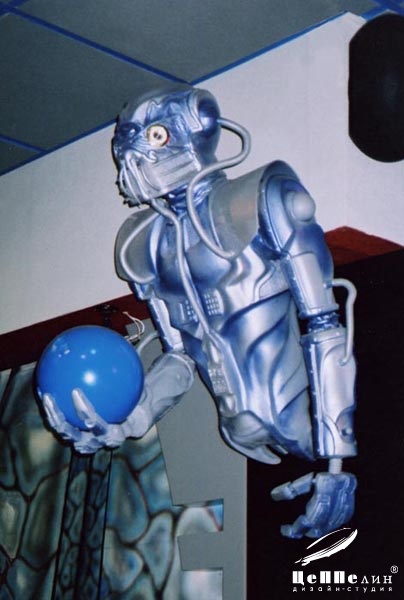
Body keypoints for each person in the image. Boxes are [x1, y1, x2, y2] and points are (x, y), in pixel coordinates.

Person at [43, 87, 357, 538]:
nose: (135, 162)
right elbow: (179, 357)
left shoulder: (263, 196)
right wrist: (131, 419)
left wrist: (336, 460)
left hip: (300, 416)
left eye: (153, 137)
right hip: (240, 434)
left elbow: (324, 323)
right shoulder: (141, 245)